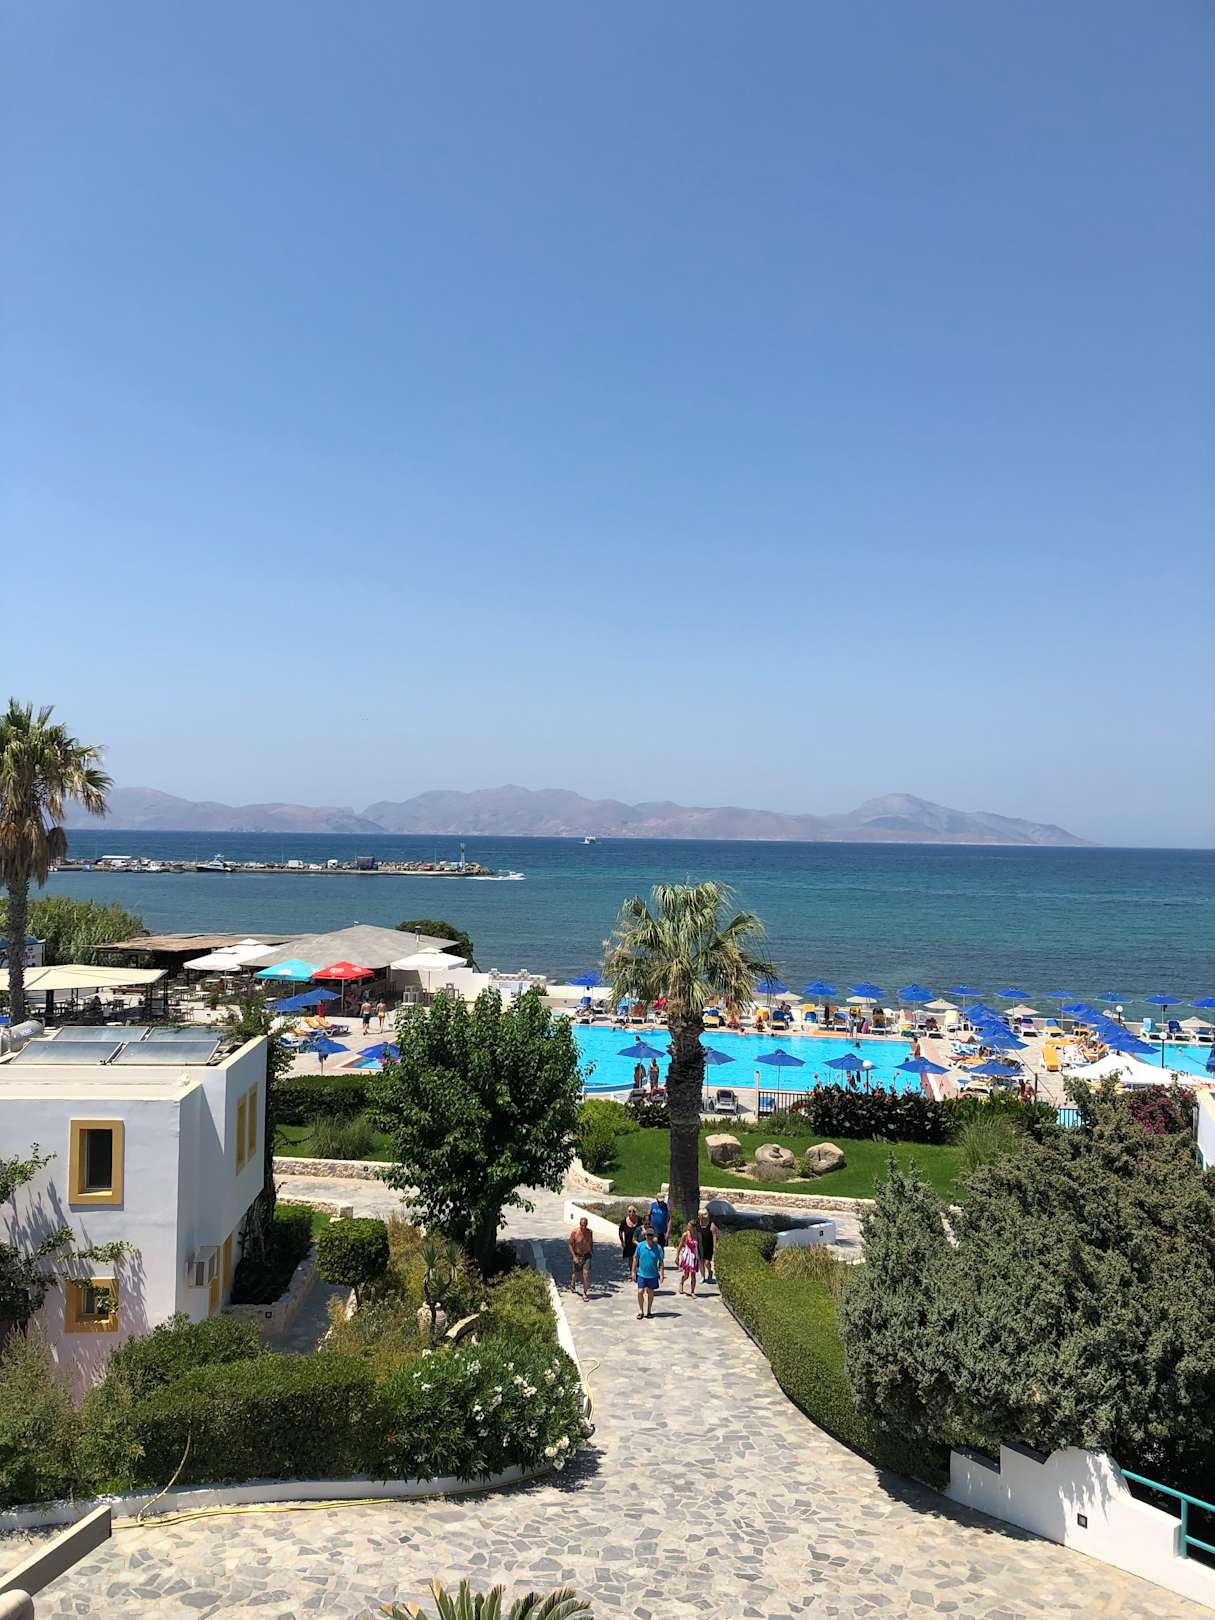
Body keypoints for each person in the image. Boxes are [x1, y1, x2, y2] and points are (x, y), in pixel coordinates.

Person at [632, 1228, 664, 1319]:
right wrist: (633, 1272)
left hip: (653, 1274)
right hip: (641, 1273)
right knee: (640, 1291)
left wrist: (662, 1274)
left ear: (653, 1236)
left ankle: (649, 1310)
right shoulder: (640, 1246)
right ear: (645, 1236)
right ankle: (641, 1311)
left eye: (651, 1235)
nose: (650, 1237)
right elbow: (635, 1259)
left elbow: (661, 1262)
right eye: (648, 1235)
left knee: (650, 1292)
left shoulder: (658, 1248)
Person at [567, 1215, 593, 1302]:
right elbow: (570, 1244)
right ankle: (572, 1283)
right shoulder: (575, 1232)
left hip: (587, 1255)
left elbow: (590, 1241)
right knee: (576, 1274)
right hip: (578, 1255)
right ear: (580, 1224)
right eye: (582, 1225)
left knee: (586, 1274)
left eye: (585, 1225)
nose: (583, 1227)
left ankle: (585, 1293)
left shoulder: (589, 1232)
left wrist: (591, 1250)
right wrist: (574, 1256)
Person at [695, 1208, 718, 1284]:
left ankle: (710, 1271)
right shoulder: (697, 1223)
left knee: (707, 1262)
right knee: (701, 1262)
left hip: (709, 1246)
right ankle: (703, 1276)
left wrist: (714, 1247)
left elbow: (714, 1236)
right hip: (700, 1245)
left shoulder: (711, 1224)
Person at [676, 1223, 699, 1296]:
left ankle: (692, 1291)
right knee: (686, 1275)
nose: (688, 1227)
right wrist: (677, 1256)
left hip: (694, 1257)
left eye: (689, 1226)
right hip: (687, 1257)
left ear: (694, 1227)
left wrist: (701, 1257)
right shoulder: (685, 1235)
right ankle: (681, 1282)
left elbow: (700, 1246)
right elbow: (680, 1246)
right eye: (688, 1225)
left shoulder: (697, 1235)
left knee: (693, 1275)